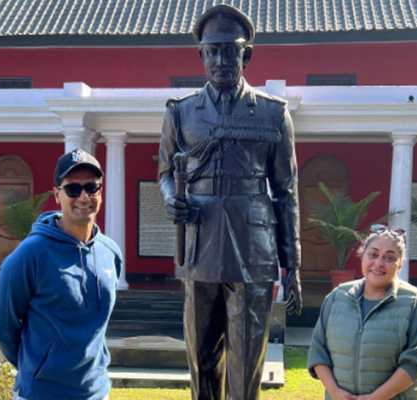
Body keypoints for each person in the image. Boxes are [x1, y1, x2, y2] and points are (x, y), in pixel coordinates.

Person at [158, 4, 302, 399]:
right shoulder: (181, 113)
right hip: (199, 241)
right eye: (213, 50)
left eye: (230, 49)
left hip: (253, 248)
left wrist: (292, 264)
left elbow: (286, 191)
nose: (221, 59)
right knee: (201, 356)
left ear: (247, 54)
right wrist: (172, 198)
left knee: (245, 360)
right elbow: (166, 172)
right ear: (201, 55)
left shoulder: (273, 115)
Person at [0, 148, 122, 400]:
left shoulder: (110, 252)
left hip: (96, 392)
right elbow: (2, 327)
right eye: (73, 189)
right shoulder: (29, 255)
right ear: (57, 195)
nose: (83, 197)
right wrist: (37, 368)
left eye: (91, 187)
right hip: (43, 393)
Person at [307, 225, 417, 400]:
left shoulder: (414, 302)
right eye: (373, 254)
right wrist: (335, 393)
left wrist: (376, 398)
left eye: (389, 258)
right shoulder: (337, 298)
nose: (379, 264)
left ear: (400, 264)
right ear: (362, 256)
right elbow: (318, 351)